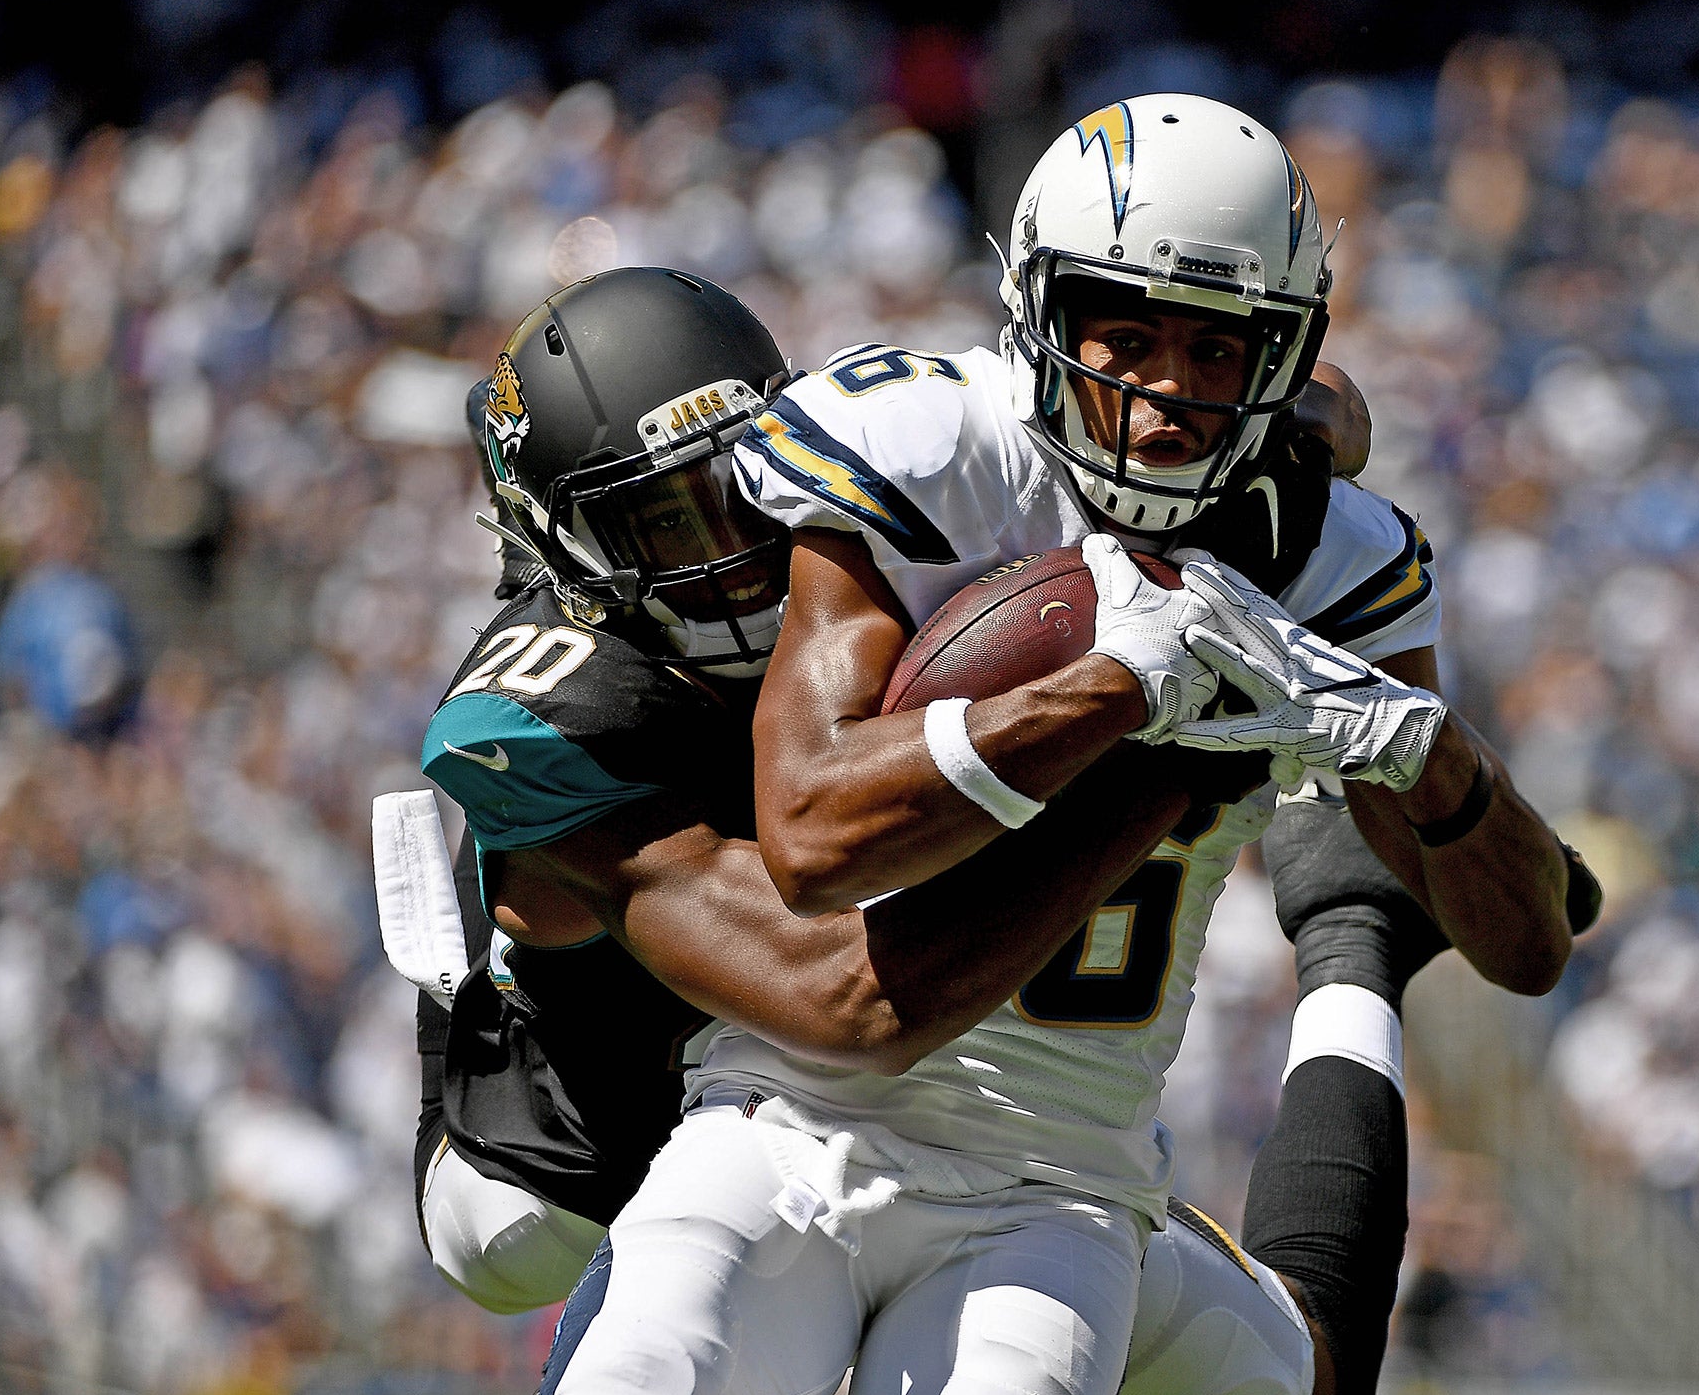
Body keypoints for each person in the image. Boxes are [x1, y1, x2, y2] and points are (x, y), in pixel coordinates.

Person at [520, 94, 1577, 1395]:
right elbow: (816, 835)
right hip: (792, 1116)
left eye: (1217, 347)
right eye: (1123, 333)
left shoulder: (1338, 557)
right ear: (1039, 313)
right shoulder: (935, 448)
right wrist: (1115, 690)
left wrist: (1422, 754)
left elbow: (1527, 946)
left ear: (1283, 356)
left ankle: (1352, 957)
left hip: (1055, 1183)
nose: (1165, 391)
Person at [390, 264, 1220, 1327]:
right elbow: (845, 998)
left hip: (778, 1057)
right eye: (665, 529)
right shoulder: (555, 712)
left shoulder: (848, 490)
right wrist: (1160, 754)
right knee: (537, 1245)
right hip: (560, 1145)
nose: (732, 562)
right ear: (566, 552)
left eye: (739, 497)